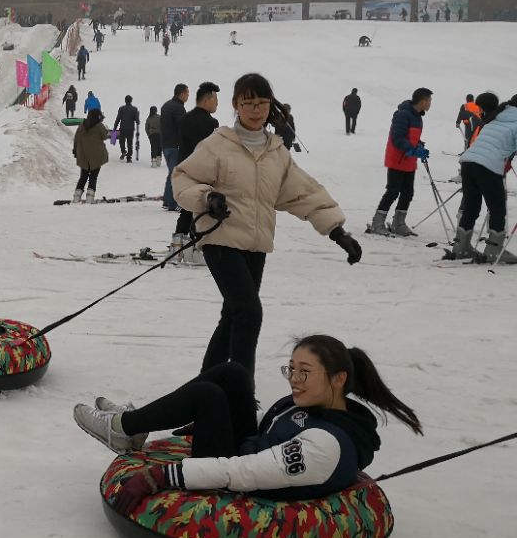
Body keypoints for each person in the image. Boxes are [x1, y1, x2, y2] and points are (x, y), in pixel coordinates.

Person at [73, 335, 422, 515]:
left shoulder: (324, 444)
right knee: (232, 373)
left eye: (305, 372)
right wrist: (215, 424)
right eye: (291, 369)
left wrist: (160, 476)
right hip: (253, 449)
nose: (294, 380)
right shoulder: (318, 405)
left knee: (209, 396)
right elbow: (272, 433)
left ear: (338, 379)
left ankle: (123, 428)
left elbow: (243, 473)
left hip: (247, 484)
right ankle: (130, 426)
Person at [173, 73, 361, 377]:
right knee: (248, 313)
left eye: (262, 103)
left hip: (256, 245)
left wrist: (338, 231)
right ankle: (242, 392)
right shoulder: (218, 144)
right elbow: (183, 178)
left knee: (233, 315)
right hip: (221, 240)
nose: (256, 109)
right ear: (236, 104)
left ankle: (206, 387)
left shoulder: (276, 152)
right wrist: (208, 197)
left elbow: (304, 193)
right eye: (248, 103)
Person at [447, 94, 517, 263]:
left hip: (468, 163)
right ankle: (494, 250)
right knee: (497, 209)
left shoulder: (497, 117)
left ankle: (461, 247)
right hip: (488, 166)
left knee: (471, 207)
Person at [368, 88, 433, 237]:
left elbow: (410, 136)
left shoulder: (418, 116)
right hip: (397, 159)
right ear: (422, 101)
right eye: (429, 101)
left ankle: (399, 223)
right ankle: (377, 223)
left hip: (409, 160)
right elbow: (397, 137)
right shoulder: (403, 114)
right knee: (392, 191)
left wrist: (419, 145)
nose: (430, 104)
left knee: (408, 192)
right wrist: (412, 149)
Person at [171, 82, 220, 262]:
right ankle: (193, 248)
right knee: (200, 207)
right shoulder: (211, 123)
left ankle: (177, 245)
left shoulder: (185, 118)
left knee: (186, 207)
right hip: (202, 170)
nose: (217, 104)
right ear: (206, 100)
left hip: (184, 168)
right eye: (215, 100)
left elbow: (179, 141)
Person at [159, 84, 190, 210]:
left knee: (172, 173)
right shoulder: (178, 108)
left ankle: (167, 200)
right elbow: (183, 126)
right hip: (174, 145)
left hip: (166, 145)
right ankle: (172, 203)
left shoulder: (166, 105)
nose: (188, 95)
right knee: (175, 174)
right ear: (181, 94)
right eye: (187, 93)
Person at [72, 109, 110, 203]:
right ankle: (90, 197)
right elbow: (105, 136)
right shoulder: (99, 126)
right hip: (96, 155)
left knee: (83, 176)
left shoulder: (81, 126)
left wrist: (75, 151)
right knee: (93, 176)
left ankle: (76, 197)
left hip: (83, 155)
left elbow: (76, 139)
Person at [112, 96, 140, 162]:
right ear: (131, 101)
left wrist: (115, 127)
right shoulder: (134, 109)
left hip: (123, 128)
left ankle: (123, 151)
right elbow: (137, 121)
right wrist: (137, 117)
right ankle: (129, 157)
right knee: (129, 143)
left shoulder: (121, 109)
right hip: (130, 129)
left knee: (121, 141)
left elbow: (118, 118)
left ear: (125, 100)